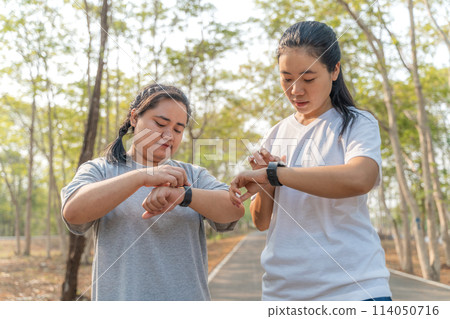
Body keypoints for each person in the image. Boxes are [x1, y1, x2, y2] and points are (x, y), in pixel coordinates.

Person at [229, 21, 392, 301]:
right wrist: (265, 179)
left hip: (354, 291)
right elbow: (262, 221)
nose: (295, 90)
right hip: (282, 294)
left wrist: (276, 174)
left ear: (335, 70)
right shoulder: (276, 133)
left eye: (308, 78)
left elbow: (359, 178)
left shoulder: (356, 123)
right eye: (286, 78)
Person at [61, 84, 244, 301]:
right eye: (160, 123)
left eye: (178, 129)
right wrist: (142, 177)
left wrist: (183, 196)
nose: (169, 135)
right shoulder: (101, 170)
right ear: (134, 118)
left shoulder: (192, 175)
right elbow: (73, 212)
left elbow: (234, 208)